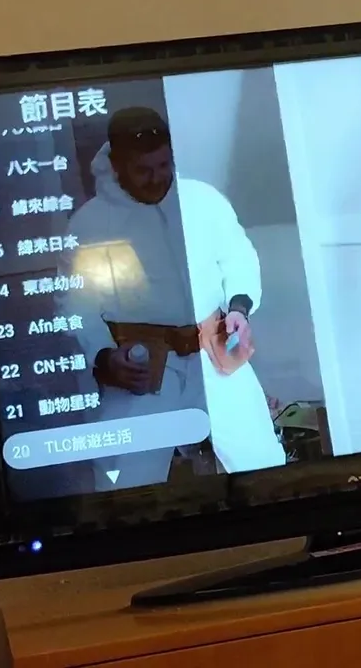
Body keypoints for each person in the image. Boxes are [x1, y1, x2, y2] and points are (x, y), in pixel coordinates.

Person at [59, 107, 285, 488]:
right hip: (142, 364)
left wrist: (239, 308)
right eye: (142, 170)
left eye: (163, 165)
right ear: (117, 165)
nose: (156, 178)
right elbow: (75, 306)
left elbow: (238, 257)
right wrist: (104, 356)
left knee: (262, 463)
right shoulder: (89, 224)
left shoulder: (203, 200)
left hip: (215, 348)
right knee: (125, 481)